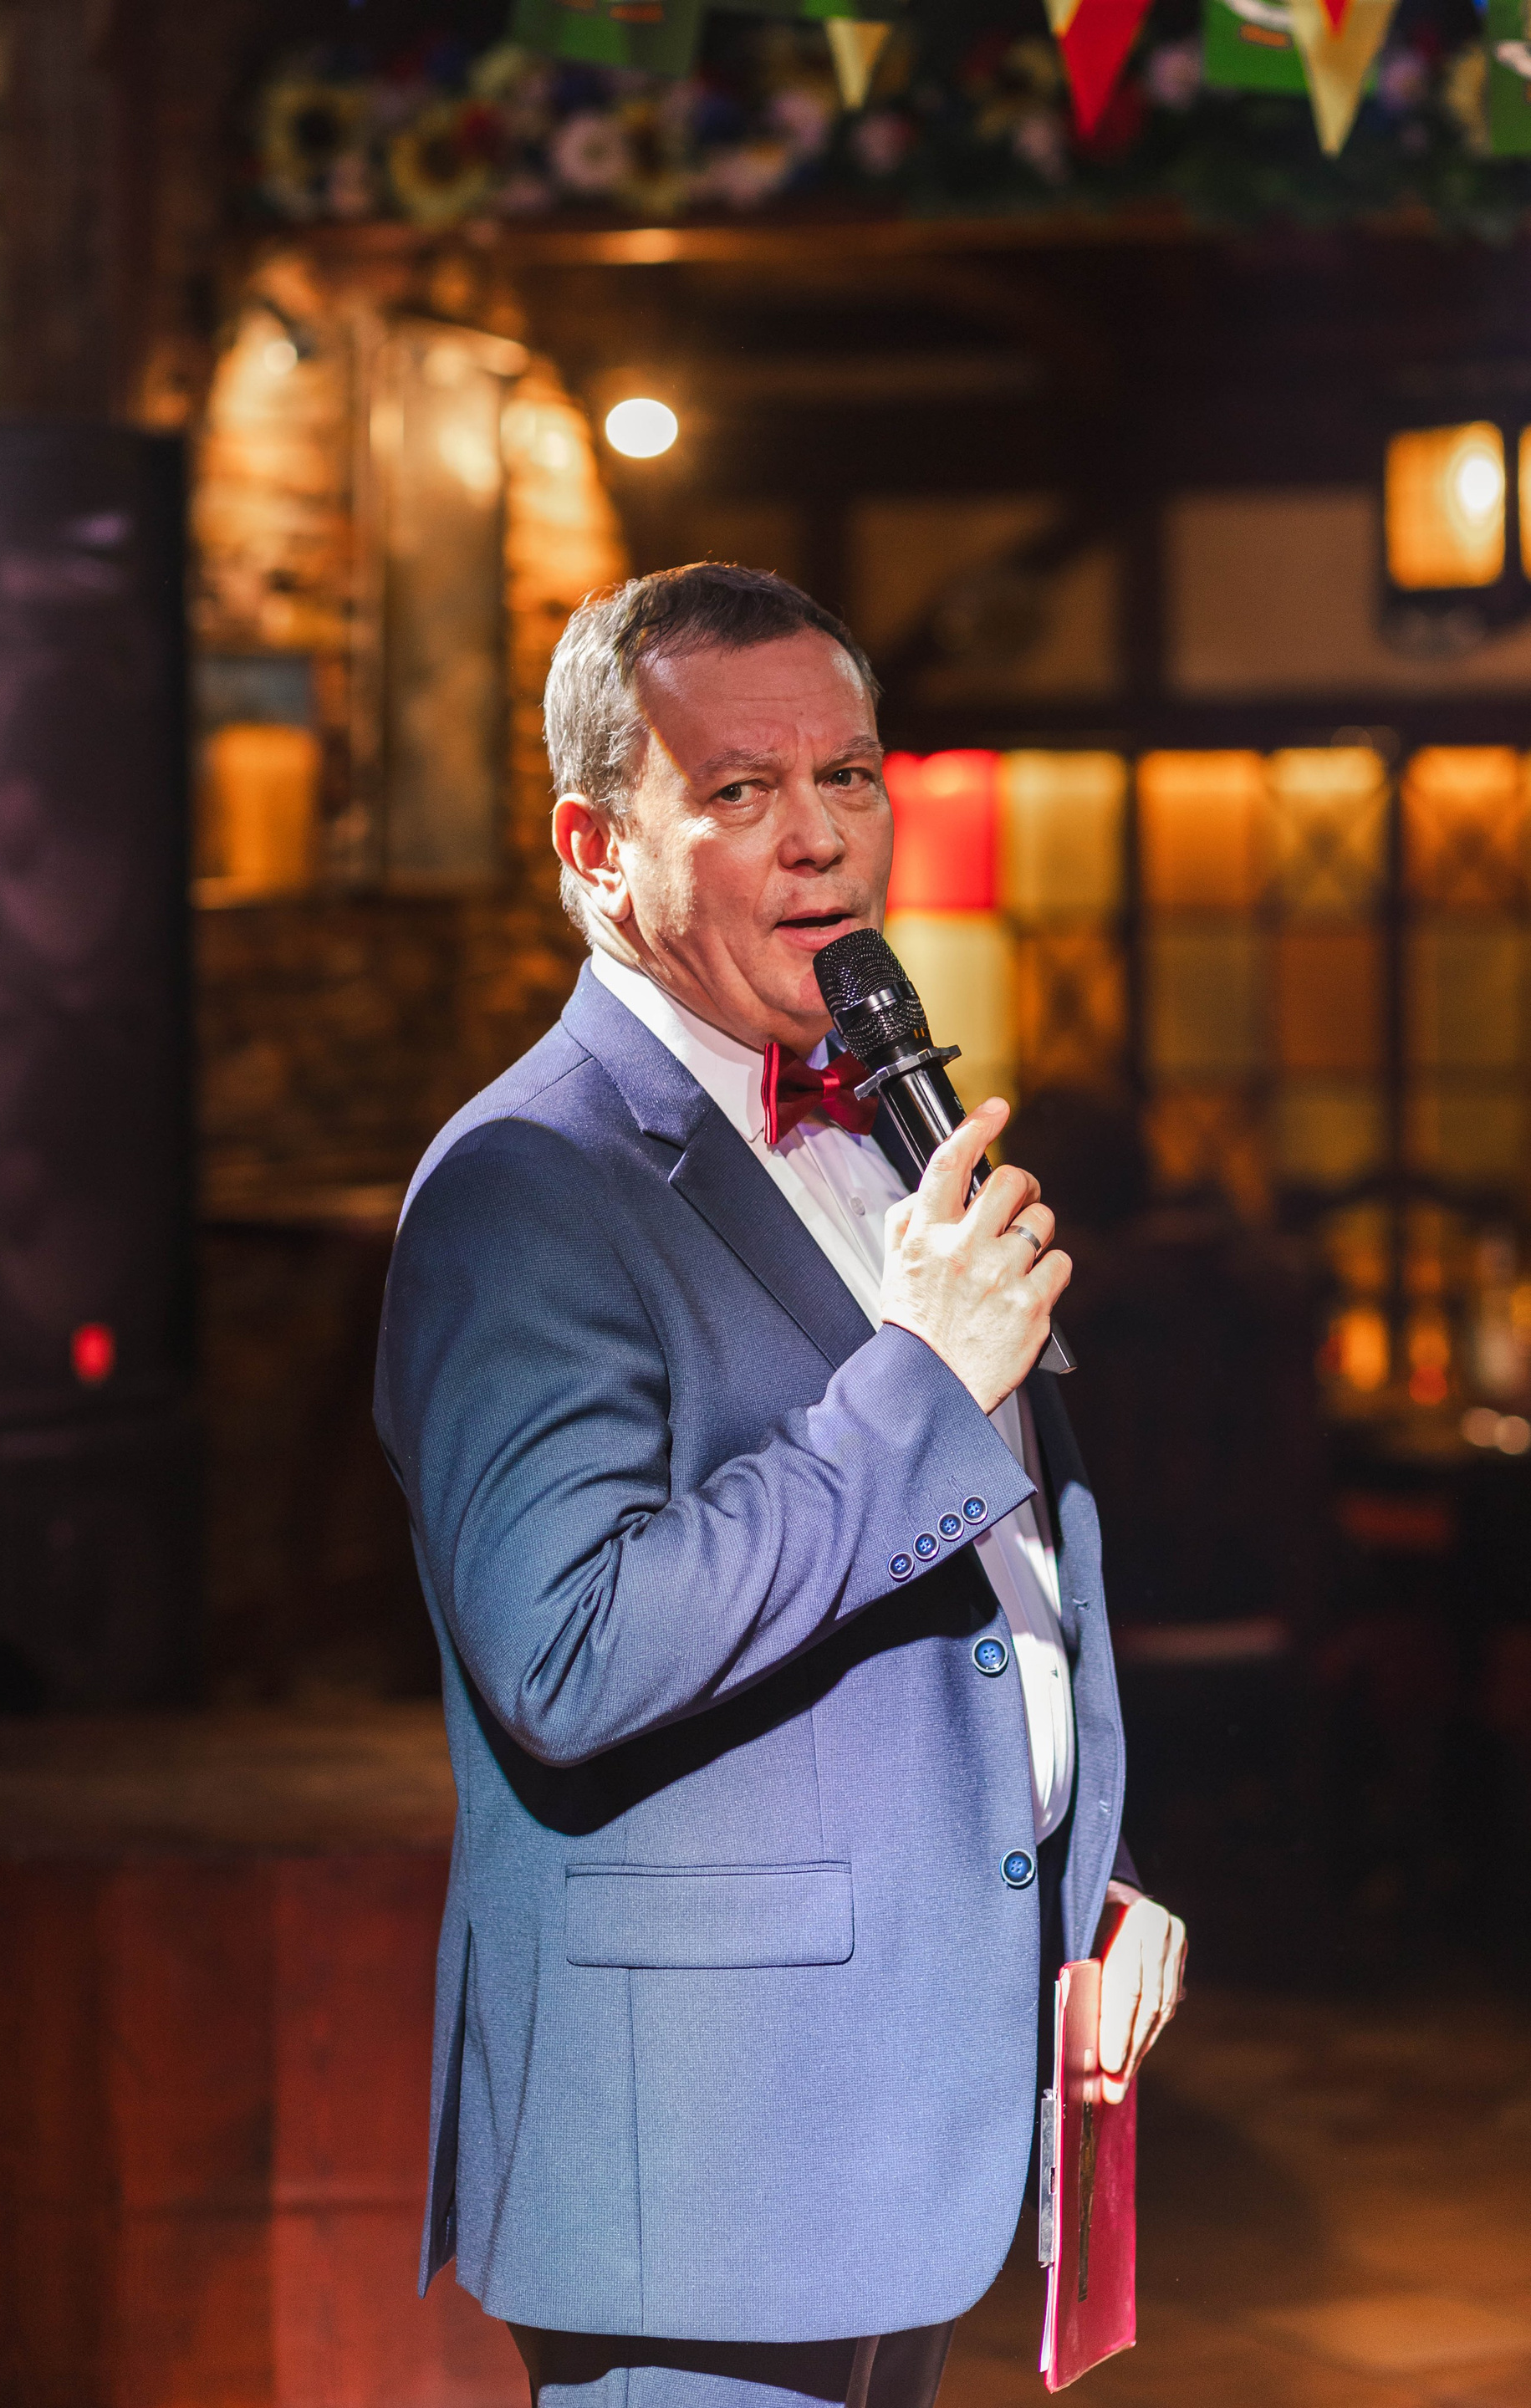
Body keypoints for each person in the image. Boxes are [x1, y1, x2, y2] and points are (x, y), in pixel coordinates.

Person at [374, 564, 1186, 2408]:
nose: (820, 839)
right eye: (740, 791)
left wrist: (1093, 1858)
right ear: (596, 849)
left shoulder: (874, 1118)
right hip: (708, 2151)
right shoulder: (526, 1182)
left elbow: (989, 1571)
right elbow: (571, 1650)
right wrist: (917, 1382)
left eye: (851, 776)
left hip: (905, 2097)